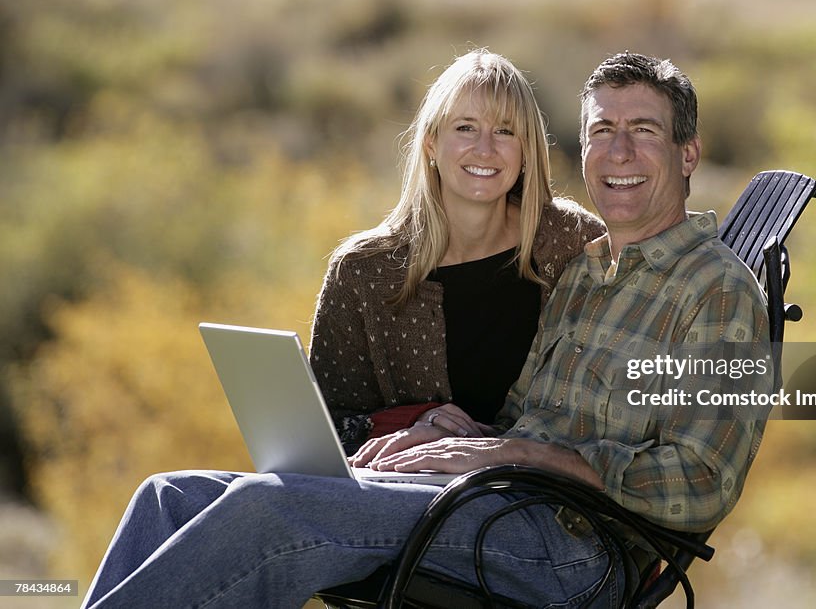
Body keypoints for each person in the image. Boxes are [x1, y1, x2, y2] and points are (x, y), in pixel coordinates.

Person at [82, 52, 773, 609]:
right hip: (496, 500)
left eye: (644, 131)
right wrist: (452, 433)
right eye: (601, 132)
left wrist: (530, 458)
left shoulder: (714, 289)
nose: (618, 152)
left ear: (688, 154)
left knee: (275, 509)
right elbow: (522, 420)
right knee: (169, 495)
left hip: (569, 548)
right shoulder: (589, 272)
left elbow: (703, 479)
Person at [308, 49, 603, 449]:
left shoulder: (572, 241)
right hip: (398, 494)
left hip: (533, 495)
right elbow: (321, 432)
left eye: (505, 131)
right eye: (465, 128)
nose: (485, 149)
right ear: (431, 143)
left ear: (526, 150)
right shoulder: (363, 271)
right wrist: (414, 421)